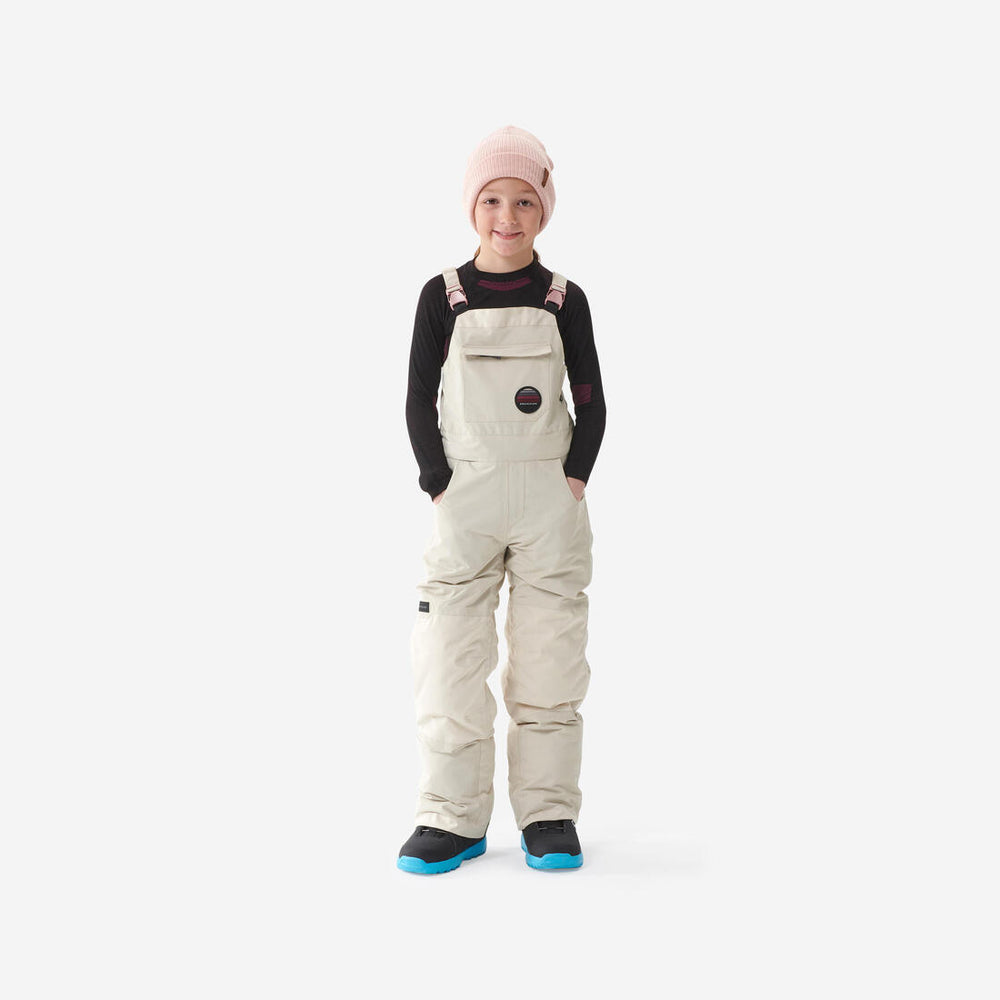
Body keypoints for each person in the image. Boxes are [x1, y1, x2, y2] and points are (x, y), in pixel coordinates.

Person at [397, 125, 607, 875]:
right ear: (471, 207)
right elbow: (417, 399)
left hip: (550, 503)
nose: (507, 217)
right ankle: (451, 818)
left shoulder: (564, 298)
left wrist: (573, 477)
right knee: (450, 657)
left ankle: (548, 814)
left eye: (523, 200)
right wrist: (438, 481)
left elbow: (592, 398)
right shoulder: (442, 296)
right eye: (492, 200)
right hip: (465, 501)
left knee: (551, 661)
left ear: (543, 209)